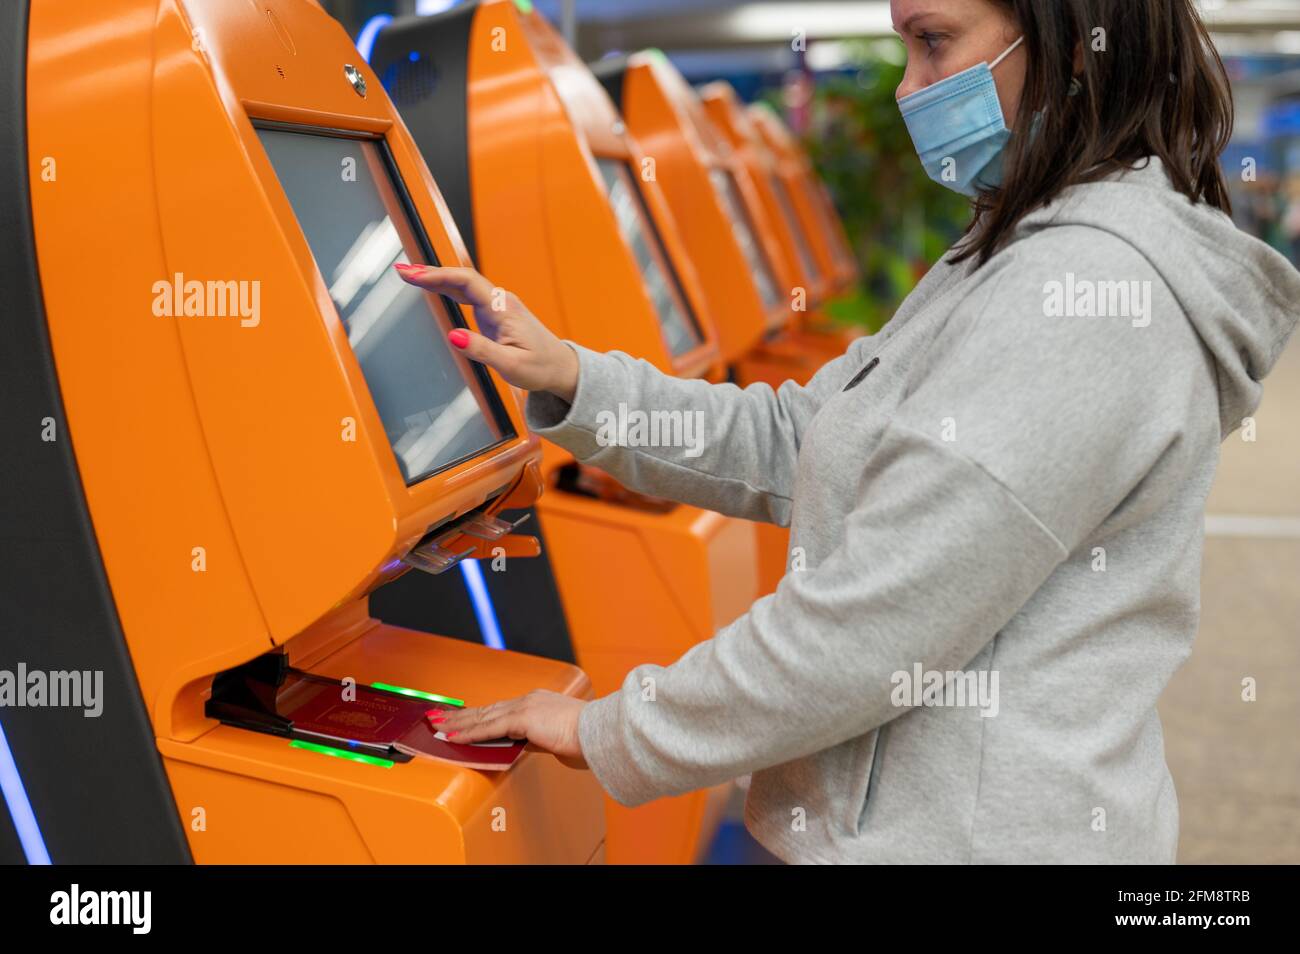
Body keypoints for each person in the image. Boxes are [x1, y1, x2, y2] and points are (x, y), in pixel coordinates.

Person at [396, 0, 1300, 863]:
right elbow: (807, 437)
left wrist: (609, 728)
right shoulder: (1019, 246)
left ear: (1071, 44)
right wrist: (577, 382)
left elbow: (870, 629)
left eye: (935, 41)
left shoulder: (1081, 292)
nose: (910, 87)